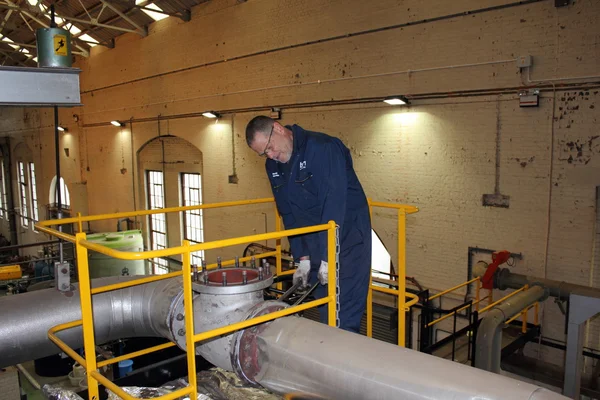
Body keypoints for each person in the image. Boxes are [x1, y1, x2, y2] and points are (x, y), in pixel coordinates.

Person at [245, 116, 371, 333]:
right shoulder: (273, 165)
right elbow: (288, 212)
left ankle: (341, 361)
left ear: (278, 129)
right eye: (264, 153)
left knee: (343, 313)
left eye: (270, 147)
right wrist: (302, 258)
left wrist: (327, 258)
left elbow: (333, 206)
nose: (271, 155)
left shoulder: (323, 149)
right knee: (324, 307)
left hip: (346, 241)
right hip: (315, 246)